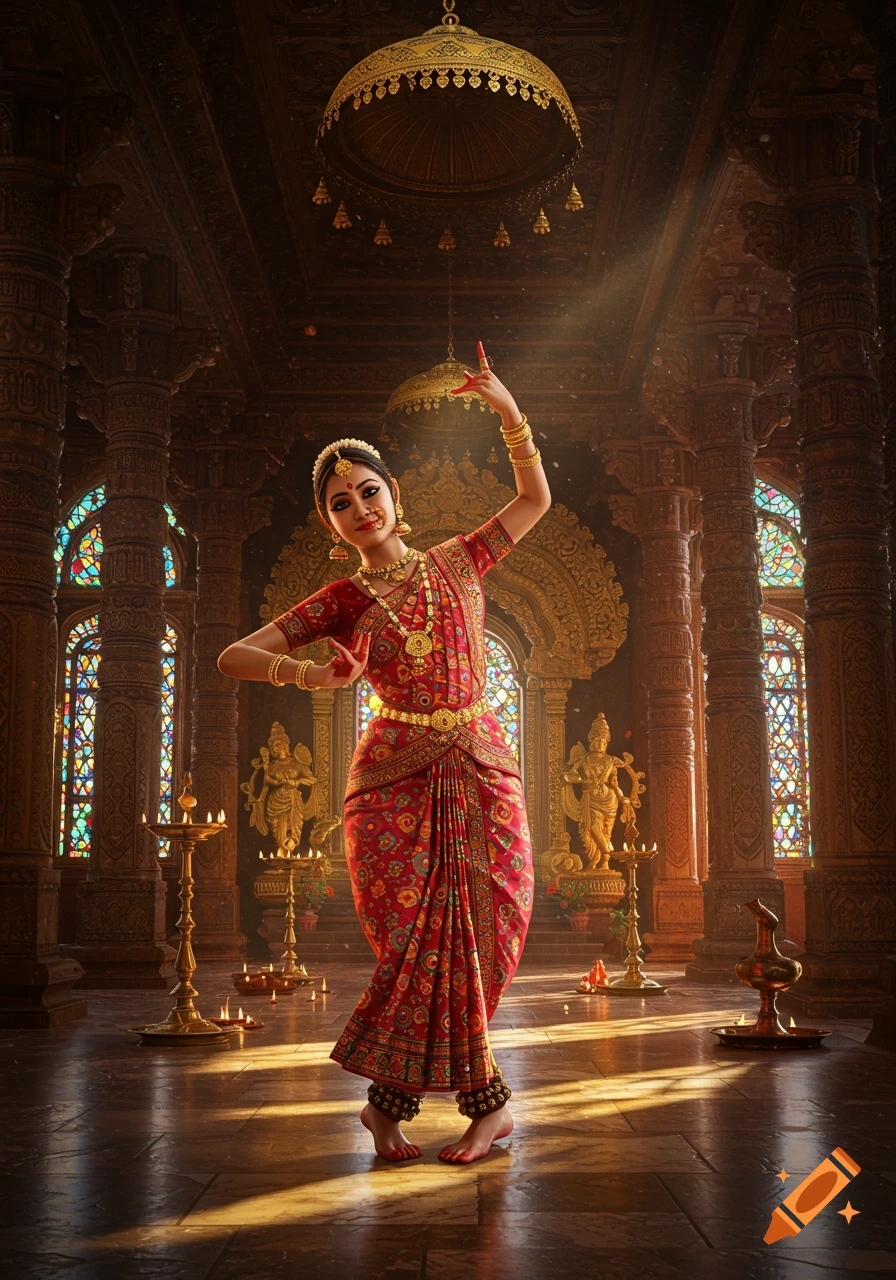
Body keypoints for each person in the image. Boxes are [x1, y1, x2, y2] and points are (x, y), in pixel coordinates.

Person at [218, 347, 551, 1164]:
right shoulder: (339, 600)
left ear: (395, 499)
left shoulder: (461, 558)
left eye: (369, 491)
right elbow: (234, 655)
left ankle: (387, 1107)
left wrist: (509, 414)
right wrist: (312, 671)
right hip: (392, 782)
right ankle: (487, 1111)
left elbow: (536, 498)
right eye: (341, 503)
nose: (360, 507)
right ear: (331, 525)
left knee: (492, 930)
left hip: (481, 764)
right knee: (416, 948)